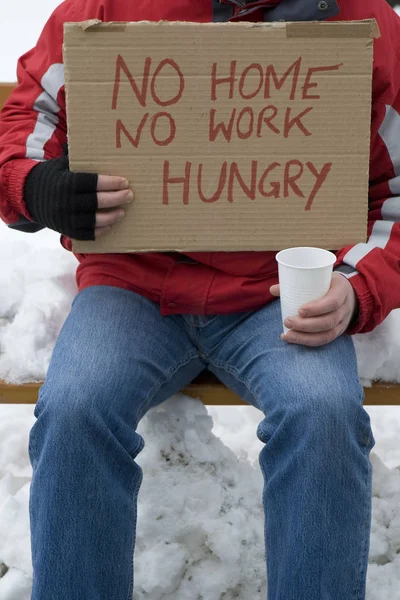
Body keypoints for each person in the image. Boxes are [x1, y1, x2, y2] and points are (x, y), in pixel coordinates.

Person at [1, 0, 399, 598]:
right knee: (76, 411)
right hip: (131, 281)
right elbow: (26, 125)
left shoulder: (361, 20)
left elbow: (395, 189)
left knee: (324, 416)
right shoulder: (107, 7)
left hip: (281, 289)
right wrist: (38, 186)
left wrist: (357, 285)